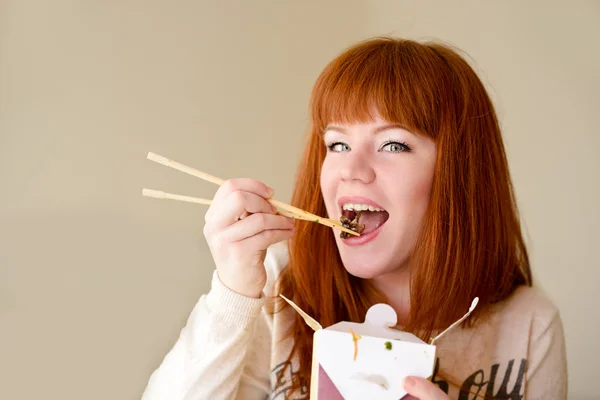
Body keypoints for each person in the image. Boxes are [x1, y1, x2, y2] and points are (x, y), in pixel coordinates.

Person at [141, 37, 568, 400]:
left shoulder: (529, 326)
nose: (350, 169)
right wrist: (232, 293)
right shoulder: (277, 288)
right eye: (337, 144)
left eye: (394, 145)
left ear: (459, 173)